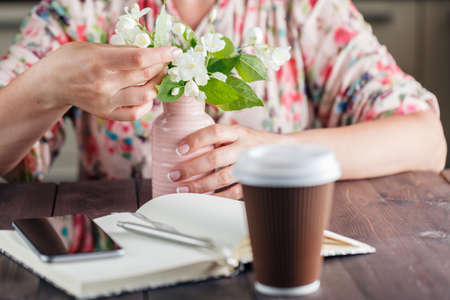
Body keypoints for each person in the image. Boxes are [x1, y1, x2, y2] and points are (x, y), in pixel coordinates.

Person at [0, 0, 446, 200]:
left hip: (270, 249)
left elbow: (426, 140)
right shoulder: (81, 10)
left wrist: (272, 151)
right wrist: (47, 83)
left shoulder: (301, 8)